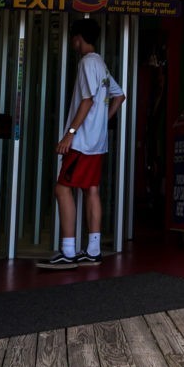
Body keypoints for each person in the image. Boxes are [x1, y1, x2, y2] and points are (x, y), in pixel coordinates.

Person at [40, 19, 125, 268]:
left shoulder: (87, 63)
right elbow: (119, 96)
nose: (72, 42)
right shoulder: (101, 64)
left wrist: (70, 133)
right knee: (91, 190)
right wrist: (102, 122)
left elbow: (86, 100)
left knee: (62, 189)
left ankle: (68, 251)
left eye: (73, 37)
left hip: (83, 142)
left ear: (79, 38)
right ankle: (93, 250)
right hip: (96, 142)